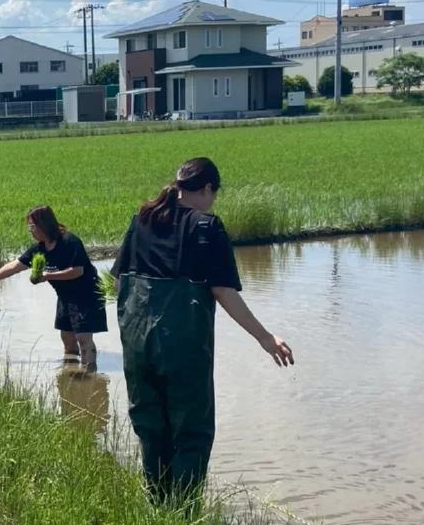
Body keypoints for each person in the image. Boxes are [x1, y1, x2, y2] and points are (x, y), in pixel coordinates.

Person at [110, 157, 294, 504]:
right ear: (207, 189)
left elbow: (119, 282)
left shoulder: (142, 220)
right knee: (192, 432)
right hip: (180, 344)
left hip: (136, 343)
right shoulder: (206, 227)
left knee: (151, 427)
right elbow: (223, 292)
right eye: (214, 194)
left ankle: (157, 508)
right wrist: (265, 338)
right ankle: (184, 517)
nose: (213, 201)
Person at [0, 205, 107, 370]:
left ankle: (89, 376)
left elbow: (78, 271)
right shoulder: (39, 248)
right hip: (65, 296)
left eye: (32, 226)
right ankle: (71, 376)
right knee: (67, 338)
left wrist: (48, 276)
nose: (29, 231)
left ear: (43, 224)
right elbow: (15, 266)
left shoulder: (69, 242)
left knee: (83, 338)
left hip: (86, 295)